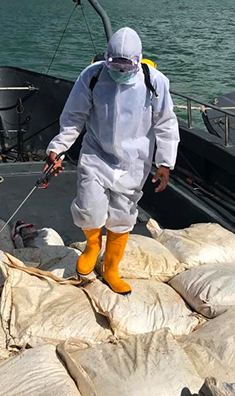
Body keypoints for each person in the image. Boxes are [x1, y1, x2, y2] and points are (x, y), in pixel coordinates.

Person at [45, 27, 180, 295]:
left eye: (125, 64)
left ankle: (111, 268)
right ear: (106, 58)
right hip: (96, 153)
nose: (119, 70)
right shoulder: (92, 76)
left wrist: (165, 163)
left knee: (123, 215)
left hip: (135, 160)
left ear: (138, 60)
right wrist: (57, 149)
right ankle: (92, 245)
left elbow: (166, 123)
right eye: (114, 64)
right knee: (88, 206)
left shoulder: (155, 81)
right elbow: (74, 116)